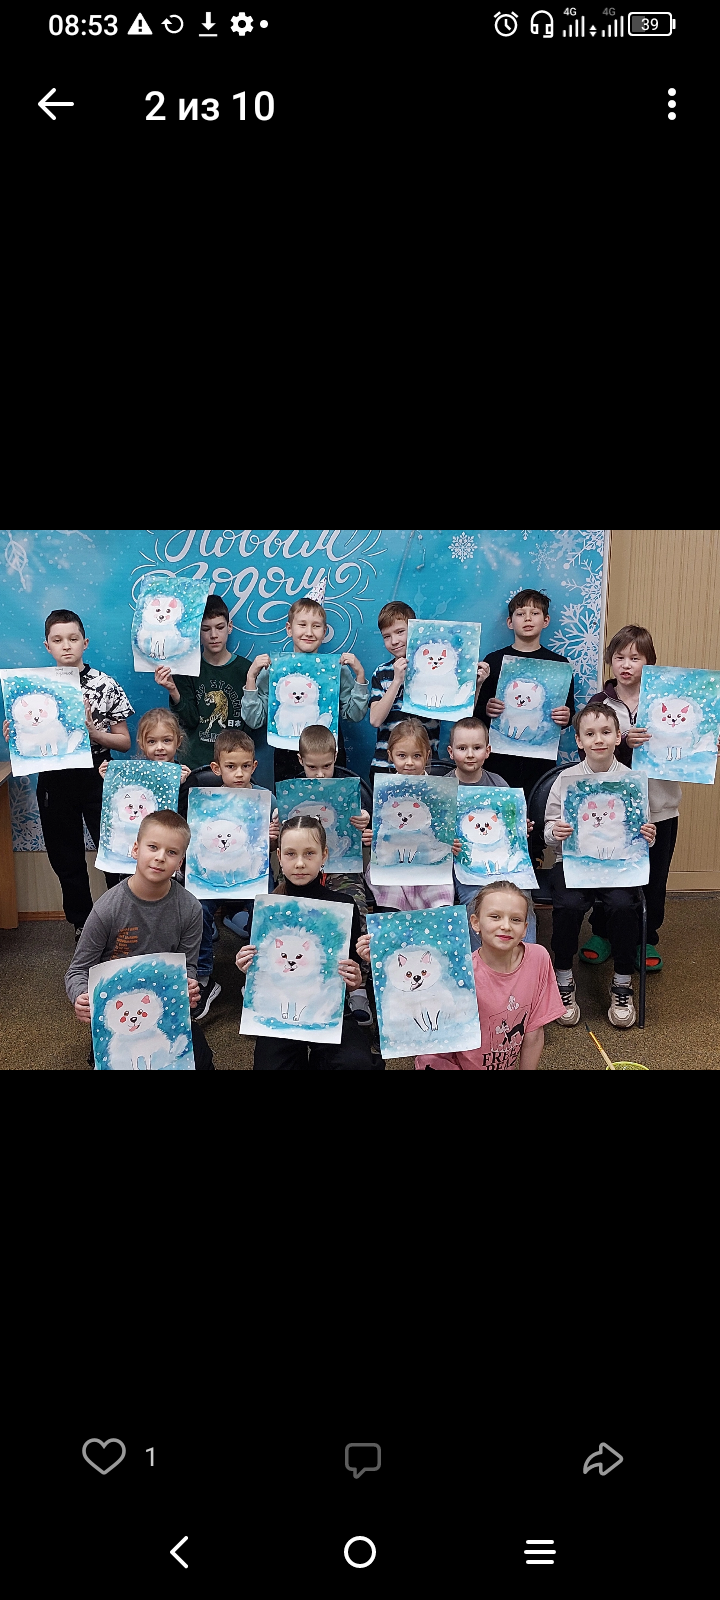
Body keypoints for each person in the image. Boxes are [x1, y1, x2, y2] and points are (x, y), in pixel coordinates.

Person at [2, 609, 134, 940]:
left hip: (97, 775)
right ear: (47, 646)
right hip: (54, 779)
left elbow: (125, 741)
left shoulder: (104, 684)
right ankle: (82, 924)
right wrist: (17, 736)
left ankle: (121, 922)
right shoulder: (33, 688)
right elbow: (29, 733)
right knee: (65, 857)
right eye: (58, 640)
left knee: (113, 854)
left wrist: (94, 733)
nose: (66, 646)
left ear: (84, 643)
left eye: (73, 639)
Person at [64, 809, 214, 1069]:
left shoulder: (190, 908)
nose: (160, 857)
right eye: (152, 847)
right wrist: (81, 996)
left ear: (180, 862)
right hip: (120, 1016)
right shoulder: (107, 909)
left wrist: (188, 985)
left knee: (199, 1059)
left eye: (171, 852)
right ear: (135, 849)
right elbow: (77, 971)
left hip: (162, 1010)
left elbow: (188, 965)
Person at [235, 815, 381, 1069]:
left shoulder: (343, 906)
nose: (300, 863)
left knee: (354, 1064)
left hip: (328, 1008)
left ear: (324, 856)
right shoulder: (267, 909)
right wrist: (245, 964)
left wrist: (356, 977)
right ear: (279, 856)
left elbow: (349, 974)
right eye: (291, 854)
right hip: (279, 1009)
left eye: (309, 853)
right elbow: (261, 966)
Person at [545, 703, 657, 1030]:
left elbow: (642, 832)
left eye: (606, 732)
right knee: (567, 905)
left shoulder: (632, 781)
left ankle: (622, 981)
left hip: (618, 866)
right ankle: (563, 977)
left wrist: (648, 836)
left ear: (618, 737)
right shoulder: (566, 779)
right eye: (590, 733)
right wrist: (555, 832)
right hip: (573, 863)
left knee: (623, 905)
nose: (598, 739)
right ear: (579, 740)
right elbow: (549, 829)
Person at [583, 624, 680, 973]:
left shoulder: (669, 699)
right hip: (611, 810)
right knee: (609, 874)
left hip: (660, 806)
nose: (626, 665)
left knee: (655, 877)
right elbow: (589, 752)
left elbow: (686, 739)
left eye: (635, 658)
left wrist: (704, 745)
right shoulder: (600, 703)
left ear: (649, 662)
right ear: (610, 661)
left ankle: (646, 938)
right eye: (619, 657)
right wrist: (624, 743)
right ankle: (602, 933)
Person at [405, 882, 565, 1070]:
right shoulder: (460, 974)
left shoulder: (538, 958)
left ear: (525, 929)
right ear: (475, 923)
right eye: (495, 917)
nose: (506, 926)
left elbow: (534, 1031)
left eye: (515, 919)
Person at [189, 729, 278, 1020]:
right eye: (231, 766)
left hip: (253, 875)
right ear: (216, 768)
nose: (239, 773)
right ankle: (203, 977)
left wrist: (273, 838)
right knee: (196, 908)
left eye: (245, 766)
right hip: (212, 877)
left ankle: (260, 976)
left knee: (266, 908)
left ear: (254, 765)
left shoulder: (266, 799)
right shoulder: (205, 801)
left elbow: (275, 847)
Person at [240, 593, 369, 785]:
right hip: (286, 754)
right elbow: (254, 720)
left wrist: (360, 676)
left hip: (328, 757)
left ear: (324, 631)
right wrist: (251, 678)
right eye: (302, 625)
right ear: (289, 629)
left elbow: (354, 715)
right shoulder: (274, 669)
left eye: (316, 626)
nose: (309, 632)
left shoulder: (337, 669)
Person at [474, 588, 575, 826]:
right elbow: (477, 715)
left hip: (540, 761)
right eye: (520, 614)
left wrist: (566, 717)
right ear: (510, 622)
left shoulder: (559, 665)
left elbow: (568, 714)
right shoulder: (494, 661)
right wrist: (487, 709)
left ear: (546, 620)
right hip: (499, 759)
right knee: (499, 818)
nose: (528, 618)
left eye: (535, 613)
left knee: (535, 818)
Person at [368, 600, 490, 783]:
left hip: (425, 766)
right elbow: (375, 720)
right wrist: (397, 681)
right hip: (385, 766)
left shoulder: (439, 671)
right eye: (387, 636)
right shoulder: (382, 673)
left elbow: (461, 715)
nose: (394, 641)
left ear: (414, 630)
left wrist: (477, 685)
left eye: (400, 632)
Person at [444, 715, 537, 948]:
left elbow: (510, 828)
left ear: (487, 751)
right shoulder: (443, 789)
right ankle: (481, 962)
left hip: (506, 866)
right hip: (466, 867)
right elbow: (435, 834)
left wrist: (520, 829)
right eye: (462, 748)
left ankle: (525, 961)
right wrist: (446, 842)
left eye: (477, 748)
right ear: (450, 752)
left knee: (522, 901)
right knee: (476, 904)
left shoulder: (500, 785)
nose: (470, 754)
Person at [154, 594, 252, 773]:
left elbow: (252, 724)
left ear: (229, 627)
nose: (213, 635)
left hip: (234, 767)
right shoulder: (186, 670)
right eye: (206, 629)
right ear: (197, 631)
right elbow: (189, 721)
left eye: (220, 627)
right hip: (195, 765)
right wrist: (173, 690)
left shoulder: (247, 670)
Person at [365, 719, 455, 913]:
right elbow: (381, 829)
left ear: (427, 755)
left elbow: (443, 830)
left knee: (442, 900)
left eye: (416, 756)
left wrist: (451, 842)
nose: (409, 762)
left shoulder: (437, 791)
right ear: (390, 756)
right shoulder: (385, 791)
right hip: (391, 862)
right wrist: (372, 836)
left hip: (429, 862)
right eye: (402, 755)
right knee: (390, 900)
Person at [99, 706, 191, 785]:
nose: (160, 747)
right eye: (152, 741)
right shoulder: (134, 777)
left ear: (178, 742)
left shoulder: (186, 778)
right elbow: (123, 797)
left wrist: (179, 785)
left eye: (167, 740)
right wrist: (111, 780)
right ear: (142, 745)